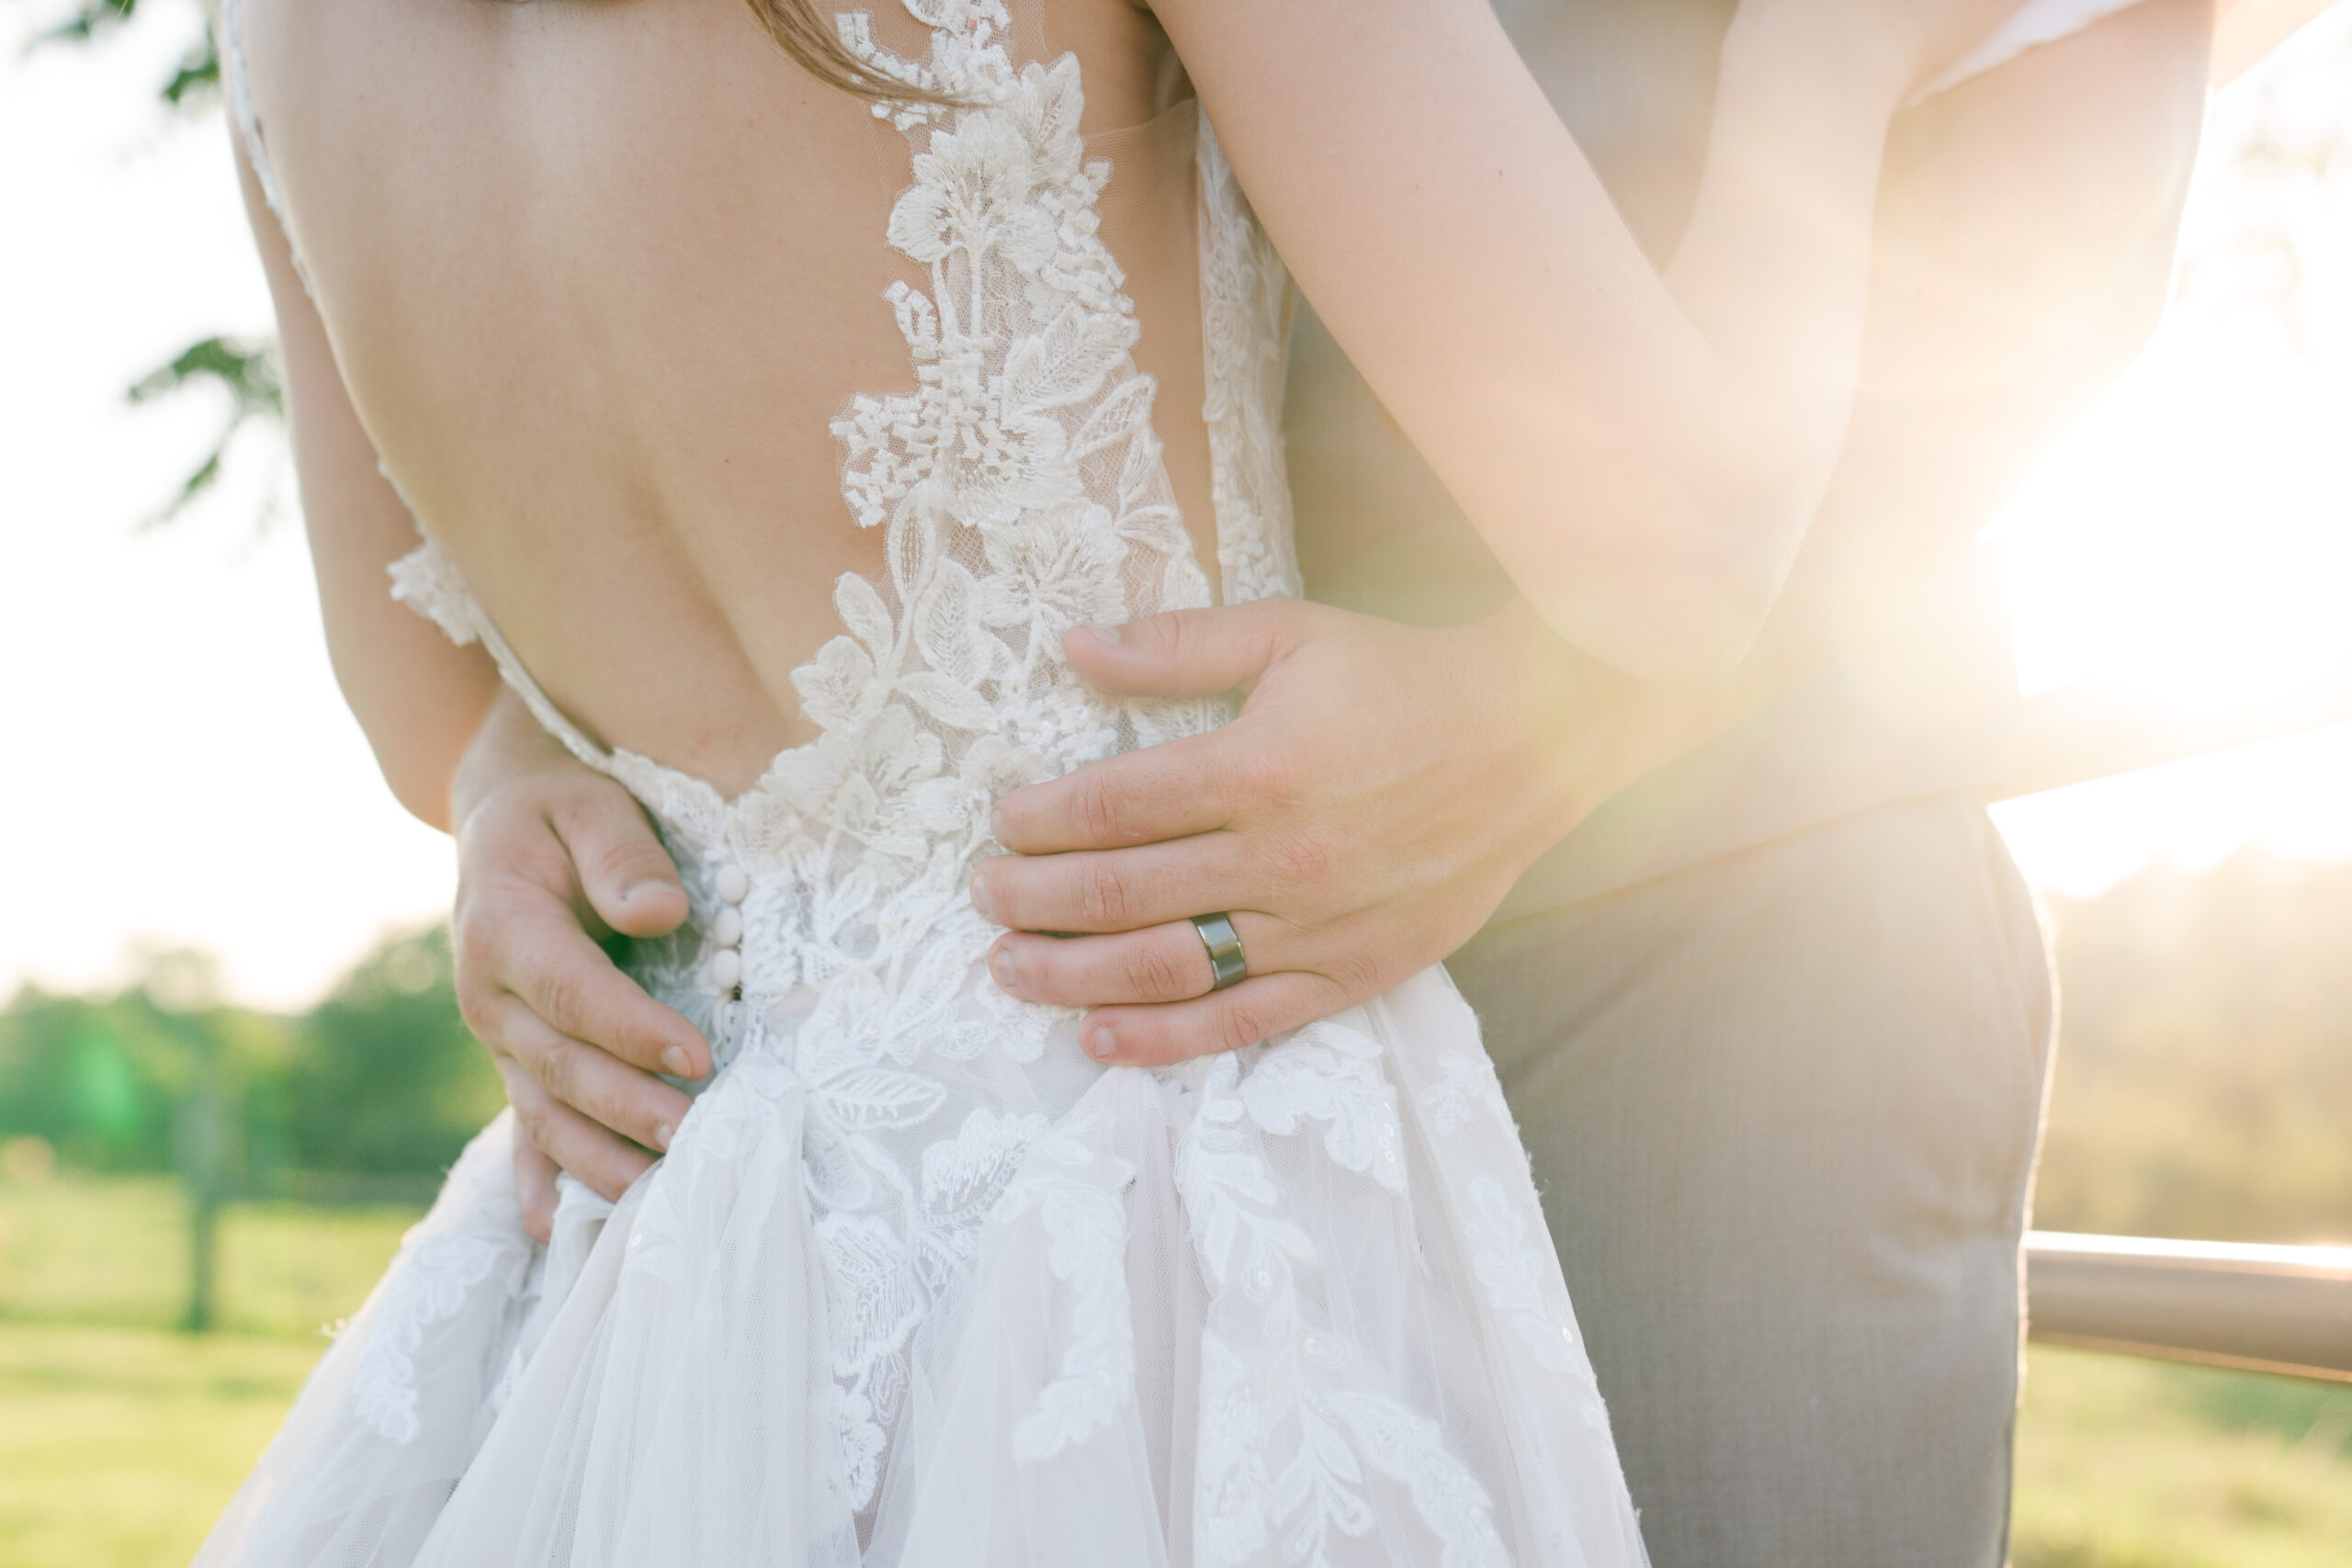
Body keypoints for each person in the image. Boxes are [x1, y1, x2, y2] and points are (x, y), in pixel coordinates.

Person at [191, 0, 2231, 1563]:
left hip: (680, 1226)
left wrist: (505, 781)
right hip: (1168, 1164)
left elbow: (422, 692)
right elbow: (1680, 552)